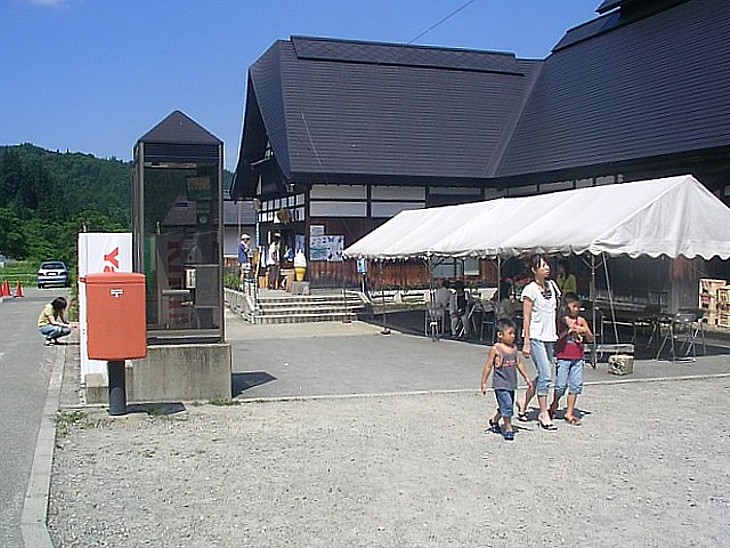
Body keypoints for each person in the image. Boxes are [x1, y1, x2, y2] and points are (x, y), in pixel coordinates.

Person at [516, 255, 561, 430]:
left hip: (550, 335)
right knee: (546, 375)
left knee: (545, 373)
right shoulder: (530, 290)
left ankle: (524, 400)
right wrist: (526, 341)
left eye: (547, 265)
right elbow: (526, 317)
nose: (546, 268)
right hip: (536, 336)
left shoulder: (553, 286)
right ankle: (543, 412)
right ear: (534, 270)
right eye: (542, 266)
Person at [480, 319, 533, 441]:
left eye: (514, 333)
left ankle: (494, 421)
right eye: (510, 333)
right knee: (507, 405)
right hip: (500, 384)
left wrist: (527, 378)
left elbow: (519, 364)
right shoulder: (496, 349)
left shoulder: (514, 348)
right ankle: (508, 428)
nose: (513, 336)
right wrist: (484, 382)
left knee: (505, 405)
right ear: (500, 334)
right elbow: (488, 365)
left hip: (511, 383)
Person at [549, 293, 594, 426]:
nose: (576, 309)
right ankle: (555, 403)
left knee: (575, 385)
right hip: (563, 357)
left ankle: (569, 412)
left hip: (578, 357)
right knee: (560, 386)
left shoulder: (581, 320)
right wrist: (567, 331)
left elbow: (591, 338)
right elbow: (556, 338)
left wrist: (583, 330)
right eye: (574, 306)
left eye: (578, 307)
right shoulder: (562, 320)